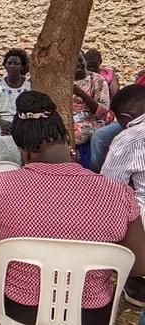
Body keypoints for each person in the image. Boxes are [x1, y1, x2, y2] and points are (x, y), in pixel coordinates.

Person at [0, 91, 145, 325]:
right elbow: (139, 265)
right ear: (66, 137)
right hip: (90, 314)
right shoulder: (118, 194)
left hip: (20, 309)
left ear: (23, 150)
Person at [101, 84, 145, 307]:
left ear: (127, 117)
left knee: (114, 208)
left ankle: (134, 280)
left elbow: (109, 188)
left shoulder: (129, 138)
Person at [0, 49, 30, 164]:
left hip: (23, 119)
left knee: (18, 139)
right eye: (9, 63)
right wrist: (2, 123)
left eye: (16, 63)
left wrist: (15, 126)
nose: (12, 66)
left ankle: (16, 171)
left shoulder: (29, 85)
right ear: (5, 65)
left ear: (22, 66)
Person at [91, 72, 145, 173]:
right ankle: (96, 174)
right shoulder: (142, 78)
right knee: (100, 136)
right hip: (136, 116)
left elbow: (113, 185)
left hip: (136, 118)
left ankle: (98, 181)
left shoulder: (125, 140)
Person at [73, 51, 111, 168]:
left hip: (92, 121)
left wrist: (81, 94)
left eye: (81, 60)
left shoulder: (97, 80)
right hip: (70, 120)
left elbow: (103, 112)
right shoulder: (63, 80)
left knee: (79, 133)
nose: (78, 64)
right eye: (74, 62)